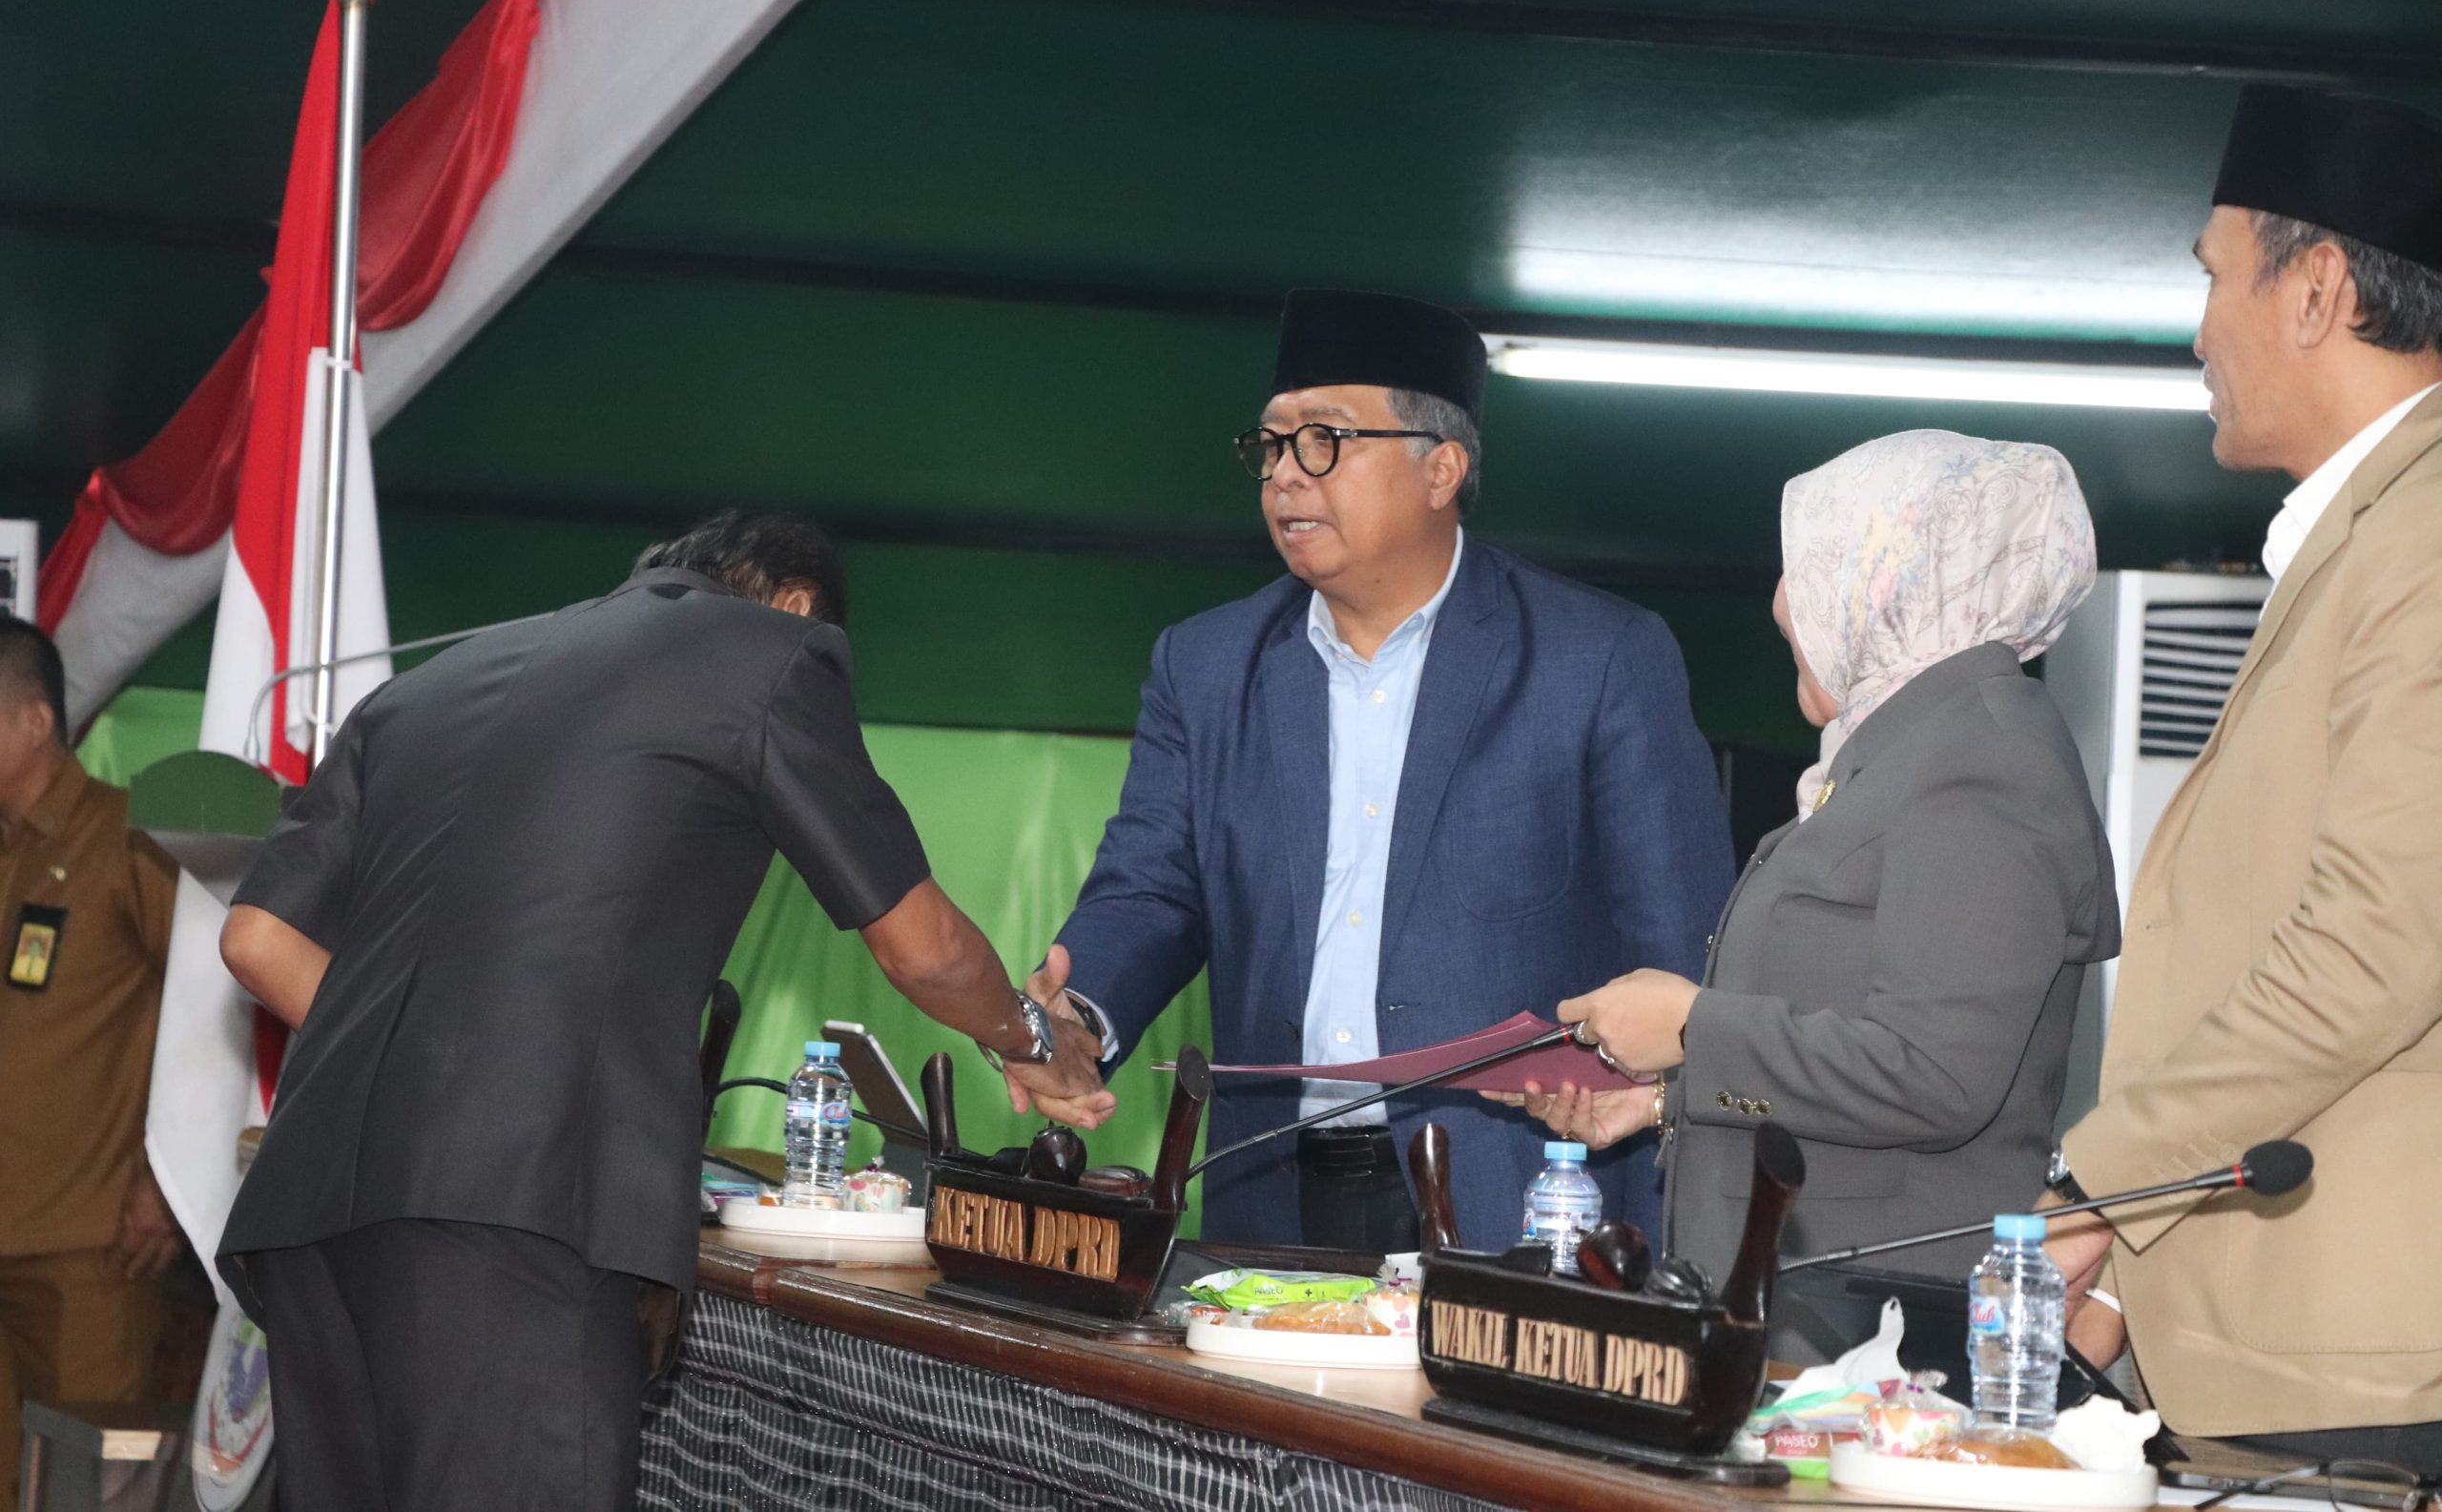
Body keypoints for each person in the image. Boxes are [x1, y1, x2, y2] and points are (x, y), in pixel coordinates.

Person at [217, 511, 1114, 1512]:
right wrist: (1032, 1038)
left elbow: (255, 936)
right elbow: (922, 945)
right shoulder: (770, 650)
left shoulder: (424, 684)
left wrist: (432, 1054)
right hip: (519, 1211)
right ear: (797, 604)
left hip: (308, 1213)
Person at [1043, 290, 1734, 1254]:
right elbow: (1151, 890)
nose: (1285, 474)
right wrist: (1076, 1018)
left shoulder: (1595, 658)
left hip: (1524, 1198)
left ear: (1440, 468)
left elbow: (1683, 951)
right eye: (1271, 445)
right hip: (1274, 1196)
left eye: (1324, 440)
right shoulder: (1206, 665)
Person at [1508, 432, 2118, 1336]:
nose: (1784, 601)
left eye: (1813, 562)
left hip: (1878, 1323)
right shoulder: (1908, 754)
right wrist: (1667, 1097)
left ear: (1892, 583)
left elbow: (1937, 1073)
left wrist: (1692, 1028)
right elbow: (1848, 1038)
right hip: (1810, 1302)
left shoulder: (1980, 765)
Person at [2050, 85, 2442, 1472]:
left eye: (2215, 278)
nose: (2199, 329)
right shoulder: (2370, 532)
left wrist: (2101, 1179)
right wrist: (2133, 1264)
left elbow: (2377, 941)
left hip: (2354, 1362)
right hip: (2274, 1338)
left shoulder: (2424, 538)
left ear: (2317, 288)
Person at [0, 616, 181, 1512]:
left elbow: (215, 1005)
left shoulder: (127, 838)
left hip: (88, 1248)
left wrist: (167, 1178)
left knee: (86, 1490)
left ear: (35, 721)